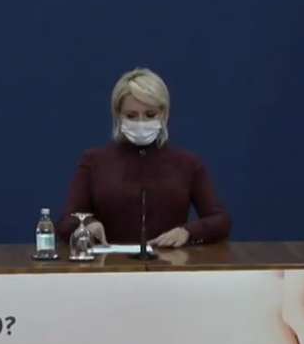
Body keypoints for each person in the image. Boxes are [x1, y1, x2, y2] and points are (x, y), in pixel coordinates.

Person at [57, 68, 231, 247]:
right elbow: (65, 221)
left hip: (168, 261)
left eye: (150, 115)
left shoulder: (188, 163)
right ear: (118, 115)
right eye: (131, 115)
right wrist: (87, 224)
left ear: (163, 113)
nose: (141, 123)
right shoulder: (94, 161)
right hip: (110, 260)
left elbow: (221, 221)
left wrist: (187, 232)